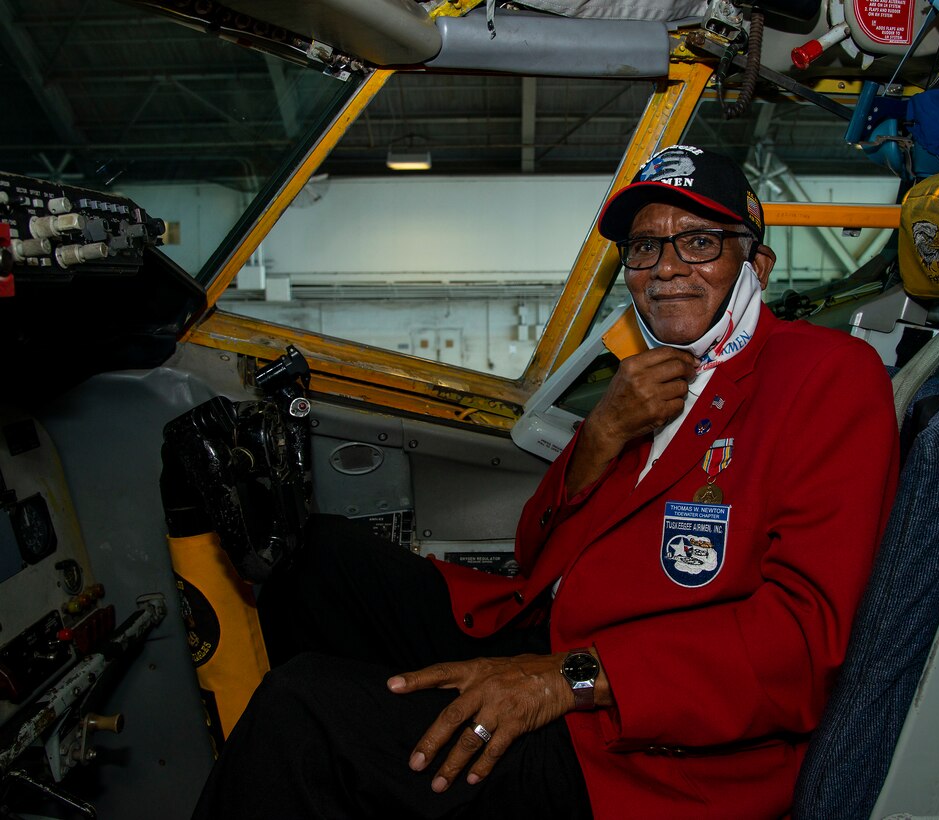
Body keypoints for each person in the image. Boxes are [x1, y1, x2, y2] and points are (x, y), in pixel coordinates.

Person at [191, 144, 900, 819]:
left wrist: (568, 676)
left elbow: (802, 643)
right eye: (645, 247)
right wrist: (600, 437)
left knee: (303, 712)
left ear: (757, 263)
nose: (665, 268)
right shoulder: (641, 378)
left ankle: (348, 761)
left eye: (698, 242)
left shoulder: (825, 375)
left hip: (648, 740)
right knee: (316, 561)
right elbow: (536, 554)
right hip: (549, 634)